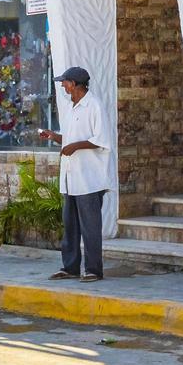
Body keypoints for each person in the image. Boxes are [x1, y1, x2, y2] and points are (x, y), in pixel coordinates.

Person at [38, 66, 113, 283]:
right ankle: (70, 267)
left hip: (89, 179)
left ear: (75, 84)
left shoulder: (94, 106)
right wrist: (54, 137)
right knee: (70, 226)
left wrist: (76, 146)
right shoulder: (72, 107)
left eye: (65, 82)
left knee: (90, 227)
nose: (62, 86)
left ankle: (93, 270)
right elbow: (69, 139)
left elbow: (102, 140)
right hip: (71, 179)